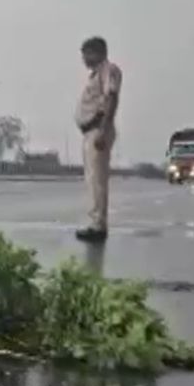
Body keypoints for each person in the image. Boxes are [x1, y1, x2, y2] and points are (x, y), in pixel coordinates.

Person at [74, 36, 122, 241]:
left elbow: (111, 98)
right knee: (92, 179)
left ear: (97, 53)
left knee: (97, 180)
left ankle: (98, 225)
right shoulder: (95, 75)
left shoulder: (108, 70)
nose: (84, 58)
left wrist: (103, 129)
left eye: (86, 54)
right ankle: (96, 221)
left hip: (98, 129)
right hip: (90, 131)